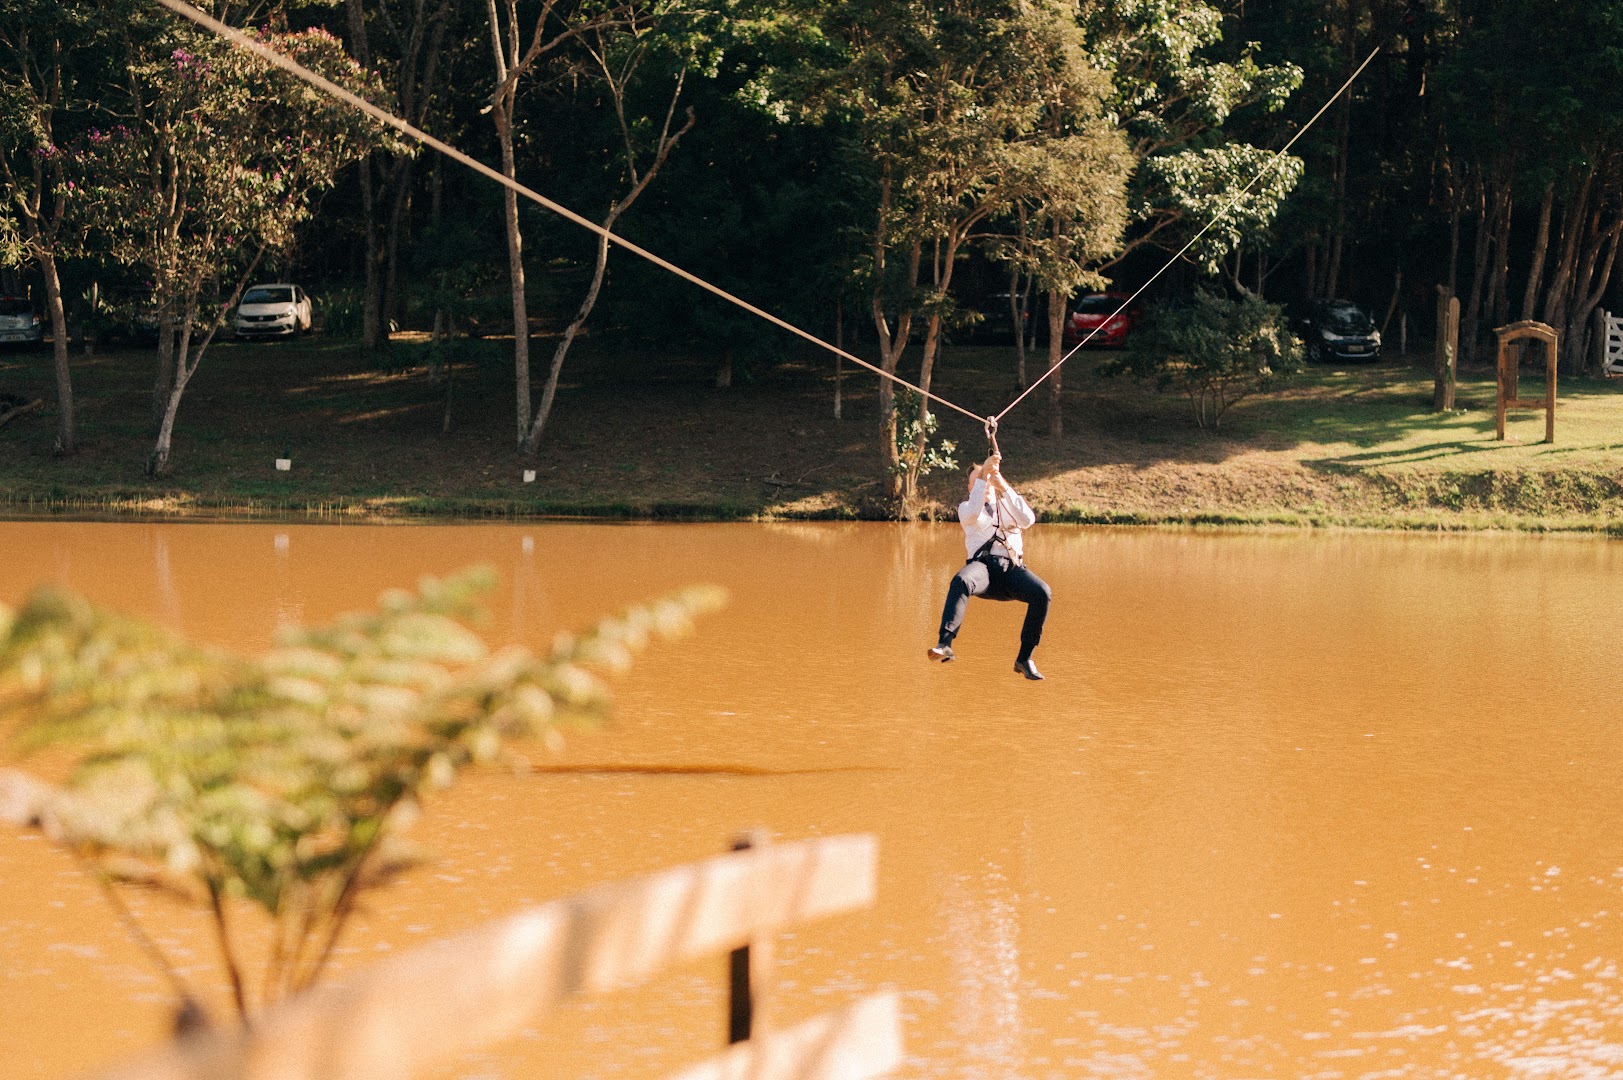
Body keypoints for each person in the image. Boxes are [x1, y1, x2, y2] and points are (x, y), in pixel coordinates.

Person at [927, 452, 1052, 680]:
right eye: (977, 481)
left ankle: (1024, 658)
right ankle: (945, 643)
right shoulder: (966, 509)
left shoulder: (1008, 505)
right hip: (982, 570)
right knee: (961, 580)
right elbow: (975, 511)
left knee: (1042, 592)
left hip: (1011, 571)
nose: (983, 484)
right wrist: (984, 474)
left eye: (985, 479)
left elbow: (1028, 520)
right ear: (970, 487)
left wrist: (1001, 484)